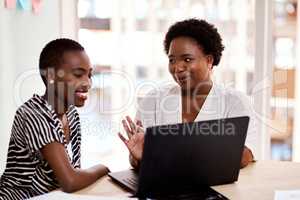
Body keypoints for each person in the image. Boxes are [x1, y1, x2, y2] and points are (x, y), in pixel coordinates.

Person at [119, 19, 257, 169]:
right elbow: (137, 159)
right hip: (161, 189)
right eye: (172, 60)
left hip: (217, 189)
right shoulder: (153, 100)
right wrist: (138, 158)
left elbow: (244, 155)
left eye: (187, 59)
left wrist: (169, 155)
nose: (177, 68)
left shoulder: (235, 101)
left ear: (209, 60)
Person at [0, 39, 109, 200]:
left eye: (89, 74)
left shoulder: (71, 113)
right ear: (51, 76)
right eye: (78, 74)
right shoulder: (34, 113)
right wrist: (103, 168)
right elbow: (70, 181)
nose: (87, 83)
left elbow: (74, 173)